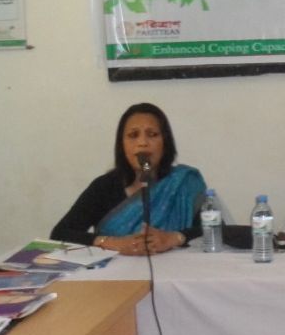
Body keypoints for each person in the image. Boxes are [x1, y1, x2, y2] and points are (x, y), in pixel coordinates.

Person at [51, 103, 206, 254]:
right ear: (122, 144)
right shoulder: (104, 187)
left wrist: (174, 238)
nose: (142, 143)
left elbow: (213, 230)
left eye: (152, 134)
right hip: (117, 270)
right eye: (133, 135)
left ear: (165, 142)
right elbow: (60, 234)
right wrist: (114, 243)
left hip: (177, 269)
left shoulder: (184, 182)